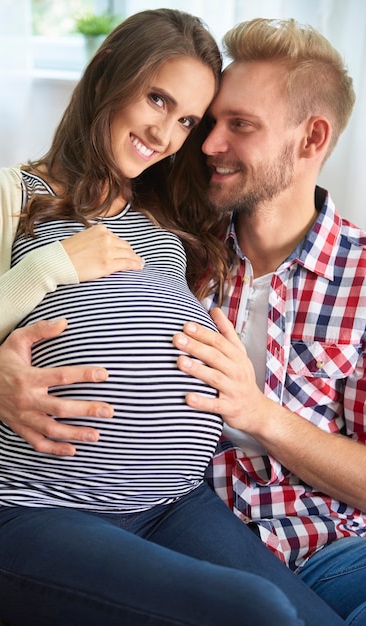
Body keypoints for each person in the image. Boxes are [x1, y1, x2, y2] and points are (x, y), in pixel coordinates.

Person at [0, 8, 328, 626]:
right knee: (256, 610)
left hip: (174, 505)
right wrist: (48, 270)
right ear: (107, 75)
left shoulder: (169, 219)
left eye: (186, 120)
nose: (167, 135)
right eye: (158, 99)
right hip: (36, 509)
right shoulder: (4, 197)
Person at [169, 17, 366, 625]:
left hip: (341, 554)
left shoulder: (362, 277)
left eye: (240, 126)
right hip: (206, 553)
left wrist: (256, 413)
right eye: (211, 123)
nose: (207, 145)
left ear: (311, 139)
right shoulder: (175, 258)